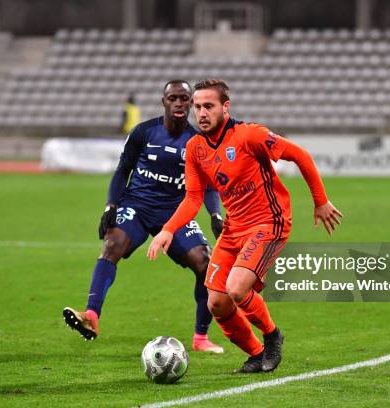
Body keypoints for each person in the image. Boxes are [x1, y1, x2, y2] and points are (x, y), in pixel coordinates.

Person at [148, 79, 343, 372]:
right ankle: (256, 354)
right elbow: (192, 198)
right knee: (217, 303)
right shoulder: (196, 147)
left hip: (269, 222)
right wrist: (168, 229)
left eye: (208, 106)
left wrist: (321, 201)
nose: (201, 113)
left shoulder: (249, 135)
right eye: (197, 107)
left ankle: (273, 337)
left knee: (237, 289)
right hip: (233, 228)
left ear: (225, 107)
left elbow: (300, 155)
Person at [64, 80, 225, 353]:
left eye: (184, 99)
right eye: (173, 98)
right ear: (164, 101)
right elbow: (122, 170)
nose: (178, 103)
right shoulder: (143, 132)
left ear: (190, 103)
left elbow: (209, 186)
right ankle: (91, 316)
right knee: (112, 245)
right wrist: (110, 206)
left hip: (175, 213)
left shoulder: (198, 142)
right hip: (137, 206)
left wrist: (215, 214)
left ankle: (201, 338)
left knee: (205, 263)